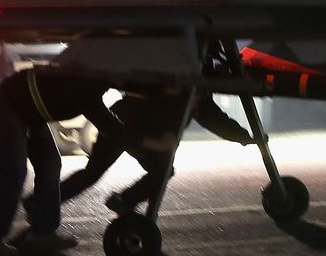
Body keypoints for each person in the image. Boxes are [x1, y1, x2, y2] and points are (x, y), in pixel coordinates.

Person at [0, 67, 128, 256]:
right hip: (9, 105)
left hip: (30, 109)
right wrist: (140, 142)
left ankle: (43, 233)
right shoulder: (89, 84)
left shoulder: (95, 78)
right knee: (14, 173)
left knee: (50, 165)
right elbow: (106, 123)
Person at [59, 86, 254, 214]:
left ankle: (125, 201)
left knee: (160, 172)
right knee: (95, 172)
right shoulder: (174, 82)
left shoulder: (197, 91)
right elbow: (210, 117)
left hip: (135, 125)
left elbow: (215, 119)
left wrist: (244, 137)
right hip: (128, 125)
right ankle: (123, 201)